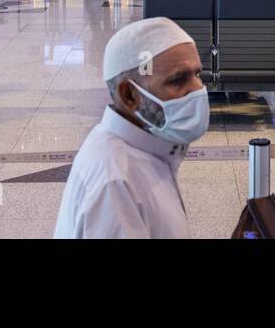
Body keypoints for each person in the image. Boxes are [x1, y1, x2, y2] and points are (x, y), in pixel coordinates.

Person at [54, 17, 205, 238]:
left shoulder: (145, 152)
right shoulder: (115, 184)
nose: (198, 89)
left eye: (197, 74)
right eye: (178, 80)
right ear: (129, 95)